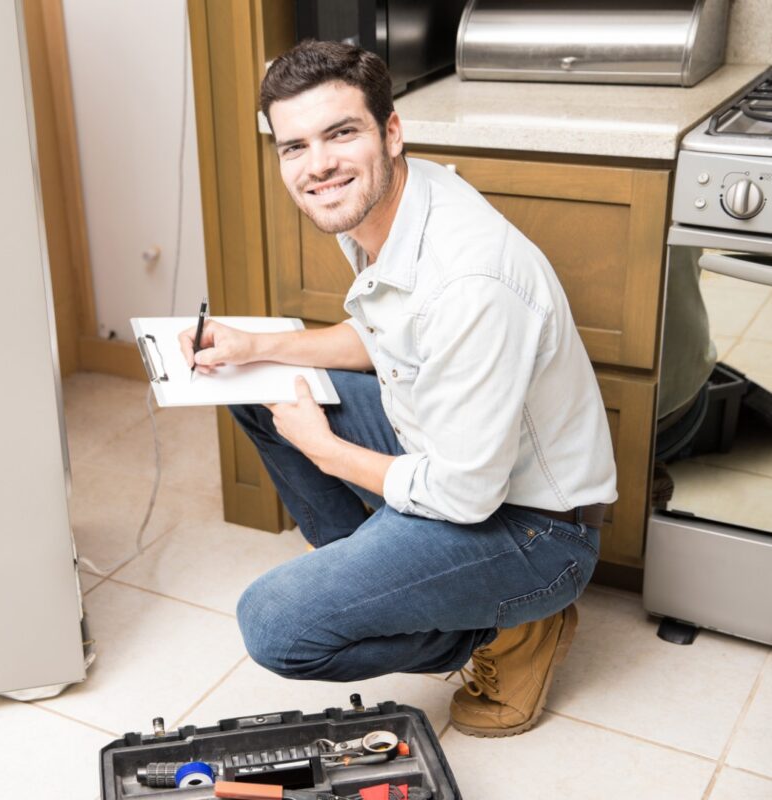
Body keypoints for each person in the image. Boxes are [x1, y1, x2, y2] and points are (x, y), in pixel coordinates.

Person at [180, 40, 617, 738]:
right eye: (294, 146)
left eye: (340, 133)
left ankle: (503, 628)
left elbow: (467, 492)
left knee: (276, 626)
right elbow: (392, 336)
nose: (316, 165)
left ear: (391, 131)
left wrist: (325, 450)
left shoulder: (470, 280)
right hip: (445, 452)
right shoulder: (392, 201)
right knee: (255, 384)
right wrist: (257, 345)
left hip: (534, 526)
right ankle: (403, 577)